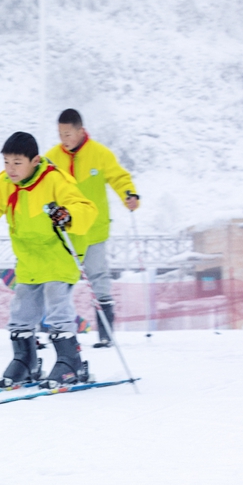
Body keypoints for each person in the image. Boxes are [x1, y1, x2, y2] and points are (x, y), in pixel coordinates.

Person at [0, 132, 97, 388]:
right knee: (21, 312)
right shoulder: (6, 182)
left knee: (58, 310)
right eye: (6, 162)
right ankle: (25, 361)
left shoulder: (56, 180)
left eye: (17, 163)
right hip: (29, 259)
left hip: (58, 256)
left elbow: (86, 208)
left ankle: (70, 362)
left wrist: (67, 214)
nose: (10, 169)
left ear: (35, 160)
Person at [45, 109, 140, 347]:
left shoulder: (99, 154)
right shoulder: (52, 157)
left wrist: (129, 194)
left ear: (80, 130)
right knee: (61, 279)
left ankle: (106, 334)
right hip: (66, 232)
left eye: (67, 133)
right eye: (60, 133)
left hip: (94, 230)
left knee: (99, 278)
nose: (63, 138)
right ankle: (59, 332)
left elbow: (119, 177)